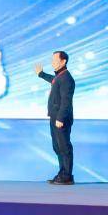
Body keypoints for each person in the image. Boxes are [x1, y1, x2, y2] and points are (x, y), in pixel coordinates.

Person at [36, 51, 75, 185]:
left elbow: (66, 101)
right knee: (57, 147)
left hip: (61, 119)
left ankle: (67, 176)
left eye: (55, 60)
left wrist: (60, 118)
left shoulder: (66, 78)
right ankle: (62, 173)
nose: (52, 62)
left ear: (63, 61)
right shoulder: (59, 76)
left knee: (64, 147)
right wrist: (41, 74)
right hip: (55, 117)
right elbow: (53, 80)